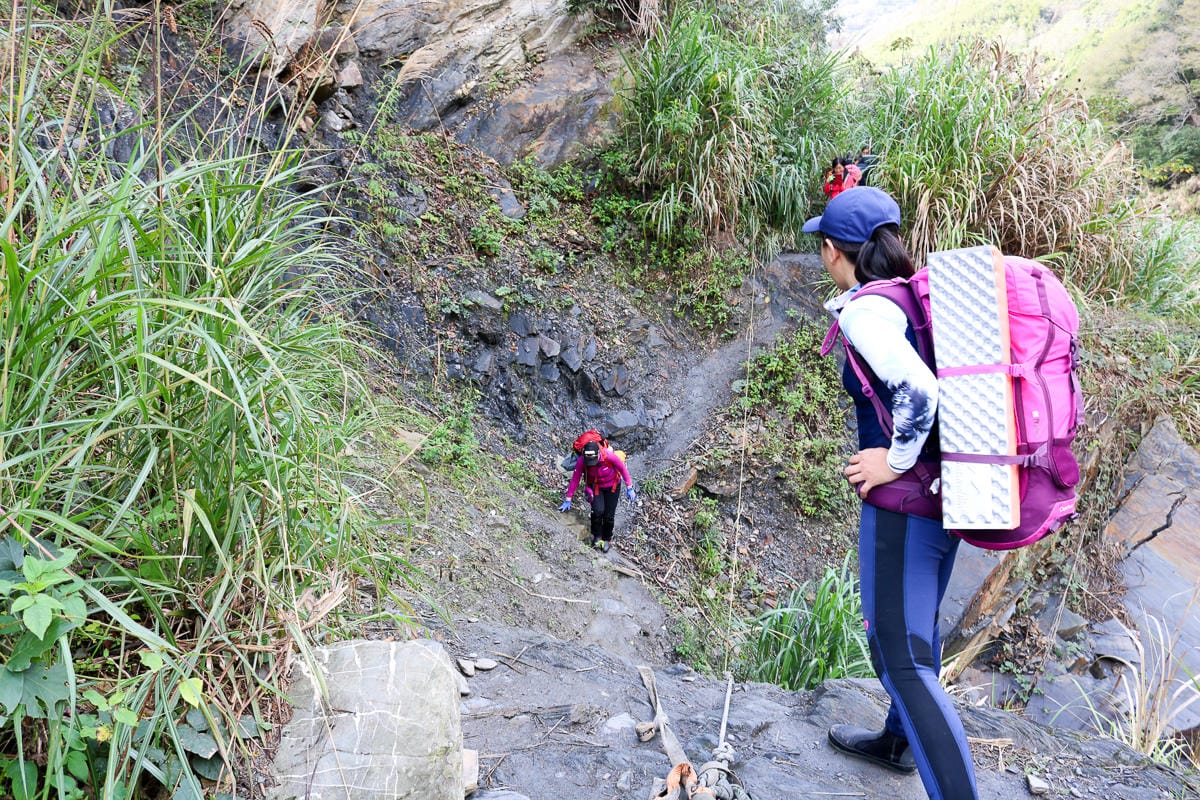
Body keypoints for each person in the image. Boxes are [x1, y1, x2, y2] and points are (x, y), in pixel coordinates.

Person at [802, 186, 978, 800]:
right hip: (944, 494)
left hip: (904, 503)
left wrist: (890, 461)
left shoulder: (866, 311)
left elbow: (920, 393)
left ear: (832, 251)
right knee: (915, 637)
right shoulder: (908, 296)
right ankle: (899, 743)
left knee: (900, 657)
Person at [559, 437, 635, 553]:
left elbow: (622, 469)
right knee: (597, 511)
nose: (591, 464)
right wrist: (568, 498)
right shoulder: (582, 461)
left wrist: (629, 487)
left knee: (609, 516)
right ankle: (597, 536)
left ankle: (606, 539)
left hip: (613, 486)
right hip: (596, 487)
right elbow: (575, 479)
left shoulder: (608, 456)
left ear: (598, 453)